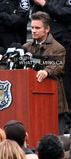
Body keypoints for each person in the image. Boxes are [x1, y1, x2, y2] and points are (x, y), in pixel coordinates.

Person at [23, 11, 68, 135]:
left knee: (56, 139)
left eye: (37, 28)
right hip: (33, 102)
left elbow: (58, 65)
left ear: (47, 29)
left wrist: (46, 71)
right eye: (32, 28)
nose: (33, 31)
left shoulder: (57, 48)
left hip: (53, 102)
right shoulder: (26, 47)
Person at [32, 0, 71, 129]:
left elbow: (67, 13)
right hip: (45, 44)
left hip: (65, 43)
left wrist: (45, 3)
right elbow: (35, 17)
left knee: (65, 83)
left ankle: (67, 120)